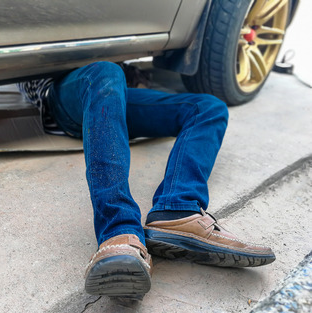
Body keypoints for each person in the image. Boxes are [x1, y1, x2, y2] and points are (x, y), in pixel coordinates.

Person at [19, 61, 275, 299]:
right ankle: (119, 232)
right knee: (105, 71)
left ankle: (177, 211)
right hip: (66, 92)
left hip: (114, 86)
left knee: (208, 107)